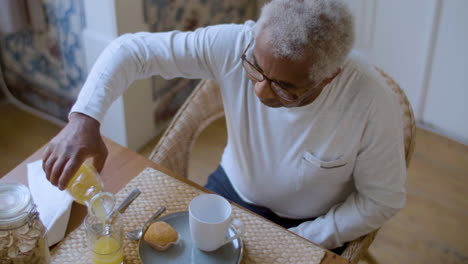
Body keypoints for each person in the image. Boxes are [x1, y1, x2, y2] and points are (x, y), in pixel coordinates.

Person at [42, 0, 406, 253]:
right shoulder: (236, 43)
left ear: (329, 78)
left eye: (286, 88)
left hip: (314, 223)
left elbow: (382, 200)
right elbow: (131, 51)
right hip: (230, 192)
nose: (261, 90)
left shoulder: (371, 102)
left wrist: (307, 237)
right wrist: (83, 118)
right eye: (256, 68)